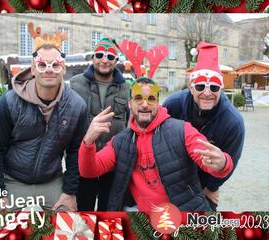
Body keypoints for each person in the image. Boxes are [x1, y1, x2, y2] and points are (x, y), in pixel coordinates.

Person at [78, 77, 234, 211]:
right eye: (138, 98)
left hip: (183, 215)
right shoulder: (120, 142)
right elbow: (89, 171)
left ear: (158, 103)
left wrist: (222, 163)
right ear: (130, 104)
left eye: (151, 98)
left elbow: (209, 160)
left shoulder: (182, 130)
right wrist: (88, 141)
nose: (145, 104)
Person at [0, 28, 88, 211]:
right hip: (13, 180)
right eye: (42, 65)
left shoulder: (77, 107)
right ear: (33, 69)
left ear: (63, 69)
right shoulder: (9, 102)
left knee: (69, 223)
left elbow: (75, 152)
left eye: (55, 65)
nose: (49, 70)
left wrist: (69, 192)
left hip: (51, 181)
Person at [163, 42, 245, 210]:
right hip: (170, 181)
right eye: (200, 86)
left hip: (205, 184)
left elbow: (232, 160)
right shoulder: (173, 105)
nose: (207, 93)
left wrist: (212, 187)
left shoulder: (233, 122)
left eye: (214, 87)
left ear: (221, 89)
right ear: (190, 87)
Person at [70, 37, 129, 211]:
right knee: (83, 211)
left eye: (110, 56)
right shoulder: (75, 84)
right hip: (83, 161)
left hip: (113, 164)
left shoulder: (126, 88)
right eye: (100, 55)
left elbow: (129, 122)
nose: (105, 60)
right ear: (93, 58)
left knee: (108, 211)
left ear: (116, 61)